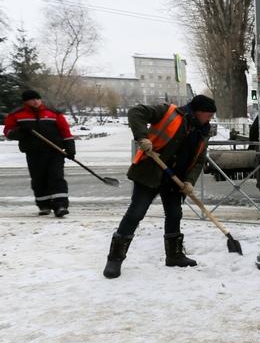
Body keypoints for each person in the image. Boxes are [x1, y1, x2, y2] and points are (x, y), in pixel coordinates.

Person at [103, 95, 217, 279]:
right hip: (150, 172)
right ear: (198, 112)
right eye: (208, 115)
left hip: (175, 180)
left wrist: (189, 181)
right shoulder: (169, 112)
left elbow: (199, 160)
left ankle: (174, 255)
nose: (210, 119)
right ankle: (114, 259)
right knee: (136, 213)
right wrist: (142, 137)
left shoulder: (203, 131)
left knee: (174, 214)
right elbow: (136, 112)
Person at [3, 89, 76, 217]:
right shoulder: (16, 115)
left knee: (56, 177)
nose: (36, 102)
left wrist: (70, 149)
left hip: (55, 151)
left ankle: (60, 205)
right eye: (32, 100)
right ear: (26, 102)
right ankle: (44, 205)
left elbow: (65, 132)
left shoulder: (53, 113)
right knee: (39, 179)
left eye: (37, 99)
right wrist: (21, 131)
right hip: (34, 153)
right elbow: (8, 132)